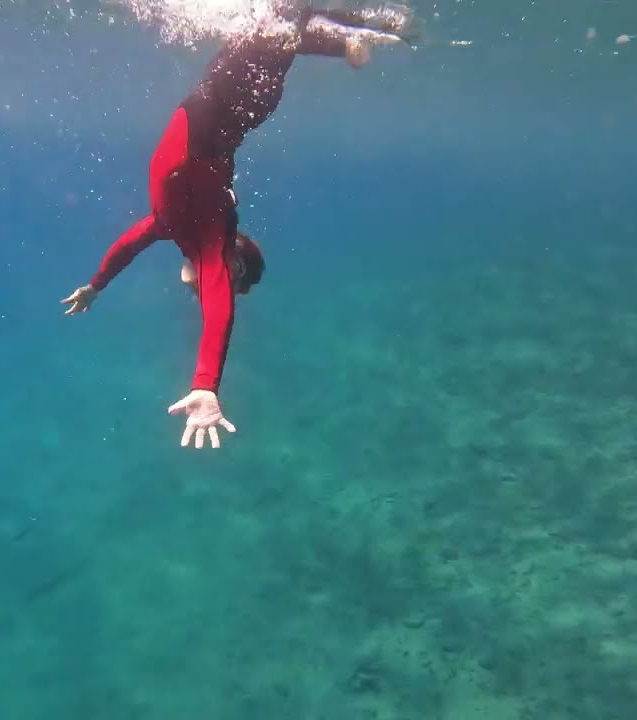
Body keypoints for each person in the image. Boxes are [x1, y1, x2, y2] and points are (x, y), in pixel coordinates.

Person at [61, 2, 416, 449]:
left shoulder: (172, 230)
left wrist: (96, 286)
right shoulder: (212, 239)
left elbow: (128, 245)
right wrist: (206, 384)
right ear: (236, 265)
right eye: (234, 278)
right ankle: (353, 29)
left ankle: (346, 39)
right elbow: (219, 308)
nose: (203, 289)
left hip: (229, 110)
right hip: (219, 108)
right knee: (274, 24)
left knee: (275, 32)